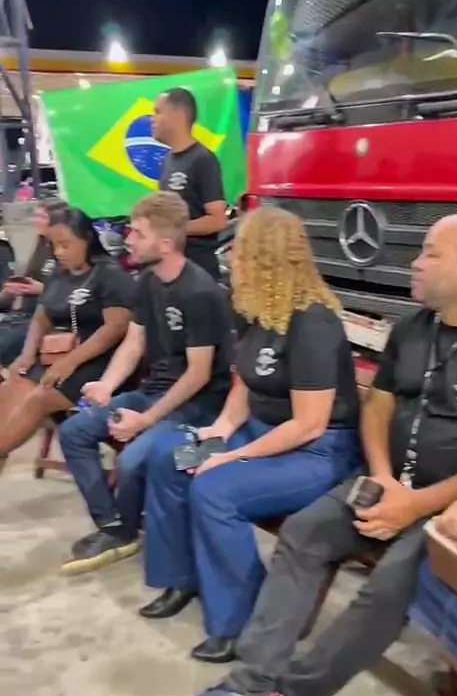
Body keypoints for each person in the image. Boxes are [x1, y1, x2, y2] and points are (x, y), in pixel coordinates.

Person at [155, 213, 457, 696]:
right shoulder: (413, 329)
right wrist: (382, 477)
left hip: (447, 507)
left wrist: (416, 505)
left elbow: (315, 422)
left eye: (430, 254)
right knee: (303, 532)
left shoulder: (312, 320)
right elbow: (379, 406)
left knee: (388, 585)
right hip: (387, 481)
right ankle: (247, 687)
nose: (414, 263)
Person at [139, 206, 361, 664]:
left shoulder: (314, 322)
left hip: (316, 452)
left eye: (239, 252)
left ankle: (241, 620)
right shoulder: (257, 311)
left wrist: (232, 458)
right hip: (262, 432)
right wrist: (219, 431)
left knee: (215, 489)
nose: (231, 260)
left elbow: (309, 424)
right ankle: (182, 578)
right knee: (169, 459)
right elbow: (245, 383)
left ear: (266, 258)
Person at [59, 191, 232, 575]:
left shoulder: (200, 292)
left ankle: (126, 530)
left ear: (165, 244)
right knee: (74, 431)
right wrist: (107, 385)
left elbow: (199, 374)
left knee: (134, 459)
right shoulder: (148, 281)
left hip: (198, 406)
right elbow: (134, 342)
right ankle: (115, 526)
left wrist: (147, 420)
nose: (128, 240)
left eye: (138, 233)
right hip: (154, 393)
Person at [0, 206, 134, 471]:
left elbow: (115, 328)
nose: (59, 252)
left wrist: (70, 362)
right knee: (11, 386)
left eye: (65, 244)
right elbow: (41, 317)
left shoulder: (110, 274)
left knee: (38, 398)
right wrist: (27, 354)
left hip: (97, 361)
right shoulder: (58, 274)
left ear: (86, 238)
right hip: (57, 354)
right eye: (54, 245)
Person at [153, 87, 227, 280]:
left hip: (198, 270)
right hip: (173, 267)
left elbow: (218, 220)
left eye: (158, 112)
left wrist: (174, 230)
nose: (152, 119)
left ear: (178, 115)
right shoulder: (168, 160)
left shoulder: (203, 159)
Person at [0, 198, 65, 367]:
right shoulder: (41, 246)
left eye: (42, 216)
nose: (36, 220)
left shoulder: (65, 252)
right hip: (18, 315)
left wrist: (41, 289)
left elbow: (73, 292)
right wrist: (11, 291)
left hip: (39, 321)